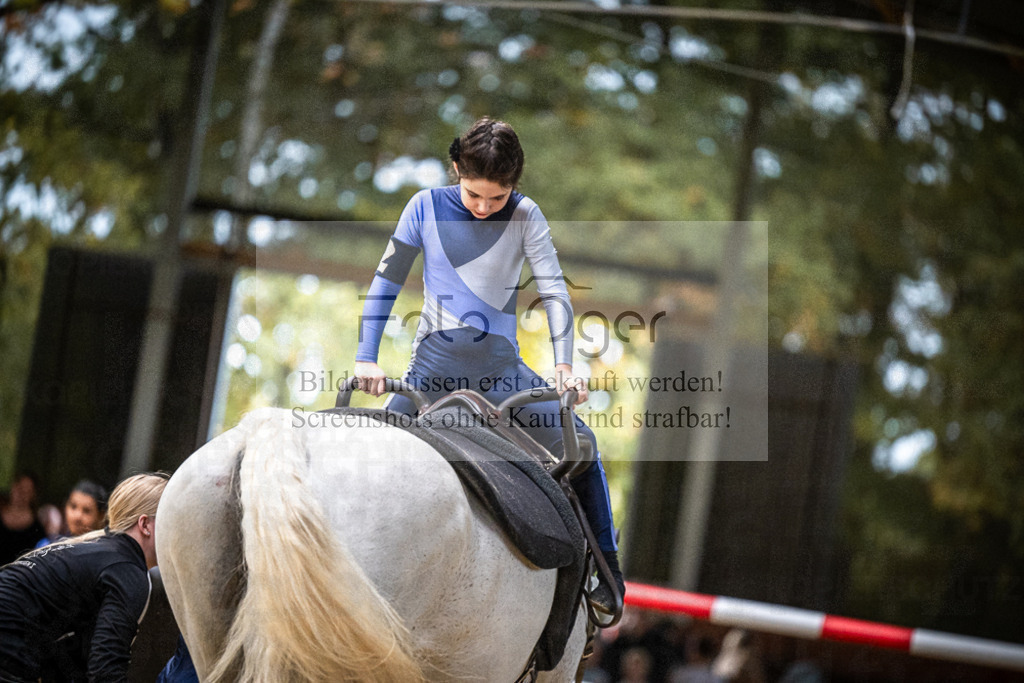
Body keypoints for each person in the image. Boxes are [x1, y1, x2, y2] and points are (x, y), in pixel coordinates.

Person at [353, 116, 624, 612]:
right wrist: (366, 357)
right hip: (430, 375)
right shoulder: (424, 206)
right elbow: (385, 282)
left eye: (496, 198)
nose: (482, 208)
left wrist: (564, 365)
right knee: (364, 456)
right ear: (456, 168)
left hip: (502, 374)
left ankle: (607, 571)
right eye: (473, 194)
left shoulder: (526, 216)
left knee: (582, 445)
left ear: (514, 186)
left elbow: (554, 290)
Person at [0, 472, 168, 682]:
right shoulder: (128, 572)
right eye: (173, 520)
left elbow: (73, 660)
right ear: (145, 525)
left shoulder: (104, 551)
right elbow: (106, 671)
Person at [36, 479, 108, 548]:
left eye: (86, 511)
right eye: (73, 507)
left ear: (101, 516)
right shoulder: (47, 546)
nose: (77, 516)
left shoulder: (104, 551)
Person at [0, 472, 44, 566]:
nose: (21, 493)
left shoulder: (37, 530)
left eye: (27, 490)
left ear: (33, 495)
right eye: (19, 487)